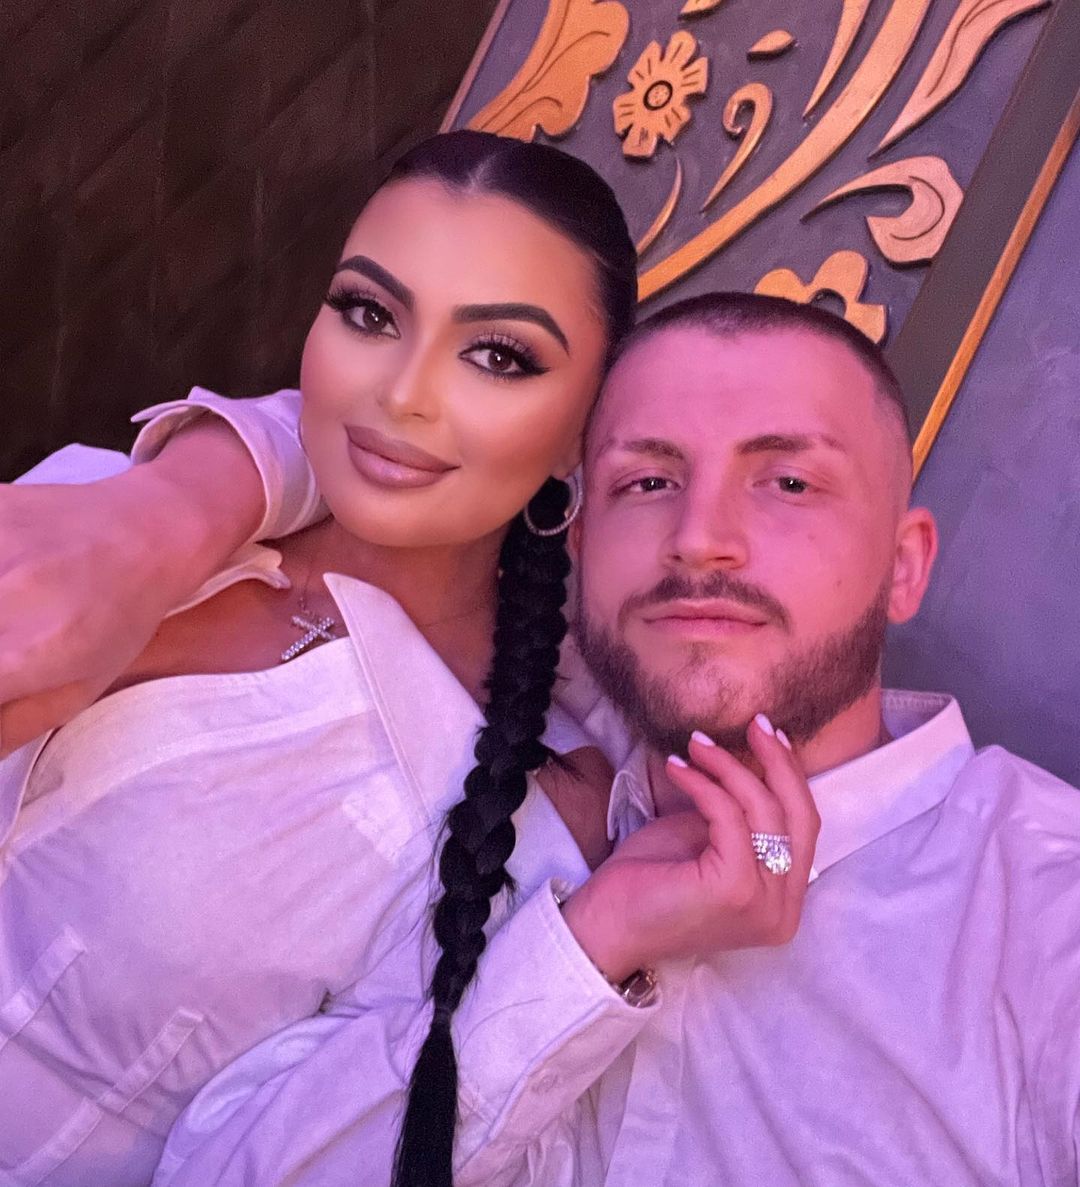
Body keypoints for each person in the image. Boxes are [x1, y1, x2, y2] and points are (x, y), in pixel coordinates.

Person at [109, 292, 1077, 1186]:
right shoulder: (480, 823)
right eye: (647, 480)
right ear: (581, 547)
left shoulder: (1045, 917)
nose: (699, 535)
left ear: (903, 568)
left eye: (788, 481)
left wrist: (789, 864)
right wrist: (591, 945)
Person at [0, 141, 817, 1187]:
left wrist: (613, 936)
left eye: (500, 356)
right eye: (370, 313)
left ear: (585, 430)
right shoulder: (101, 509)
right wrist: (191, 492)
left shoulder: (498, 818)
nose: (403, 394)